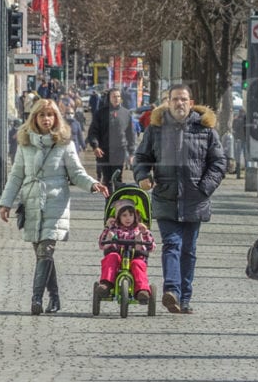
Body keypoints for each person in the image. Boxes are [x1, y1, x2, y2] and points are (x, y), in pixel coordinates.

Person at [0, 98, 110, 315]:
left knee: (46, 250)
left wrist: (93, 184)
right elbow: (16, 176)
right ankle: (55, 298)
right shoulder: (25, 144)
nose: (46, 119)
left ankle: (36, 299)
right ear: (34, 118)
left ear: (56, 118)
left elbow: (76, 173)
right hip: (31, 202)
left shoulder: (65, 144)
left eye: (50, 115)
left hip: (55, 203)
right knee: (42, 255)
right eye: (42, 115)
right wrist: (6, 203)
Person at [133, 84, 226, 315]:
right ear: (168, 102)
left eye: (183, 99)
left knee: (189, 250)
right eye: (175, 99)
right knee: (172, 244)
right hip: (166, 196)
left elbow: (219, 163)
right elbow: (142, 157)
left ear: (191, 103)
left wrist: (205, 188)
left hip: (195, 199)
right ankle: (171, 291)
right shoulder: (156, 129)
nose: (179, 103)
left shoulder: (205, 129)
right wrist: (143, 176)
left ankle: (184, 299)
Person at [96, 198, 156, 303]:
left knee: (138, 264)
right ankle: (106, 283)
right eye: (124, 215)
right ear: (118, 217)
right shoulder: (114, 229)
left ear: (135, 216)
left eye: (130, 215)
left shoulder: (138, 230)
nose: (128, 218)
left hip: (135, 256)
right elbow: (102, 244)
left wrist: (145, 234)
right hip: (118, 258)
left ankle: (142, 290)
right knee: (111, 257)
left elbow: (151, 246)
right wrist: (107, 229)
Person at [87, 87, 135, 192]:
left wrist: (131, 153)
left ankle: (119, 203)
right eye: (114, 96)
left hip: (119, 150)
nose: (116, 99)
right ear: (109, 98)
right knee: (107, 179)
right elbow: (93, 132)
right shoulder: (100, 113)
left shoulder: (126, 113)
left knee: (118, 178)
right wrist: (95, 146)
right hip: (104, 151)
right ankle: (109, 203)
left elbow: (131, 135)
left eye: (118, 96)